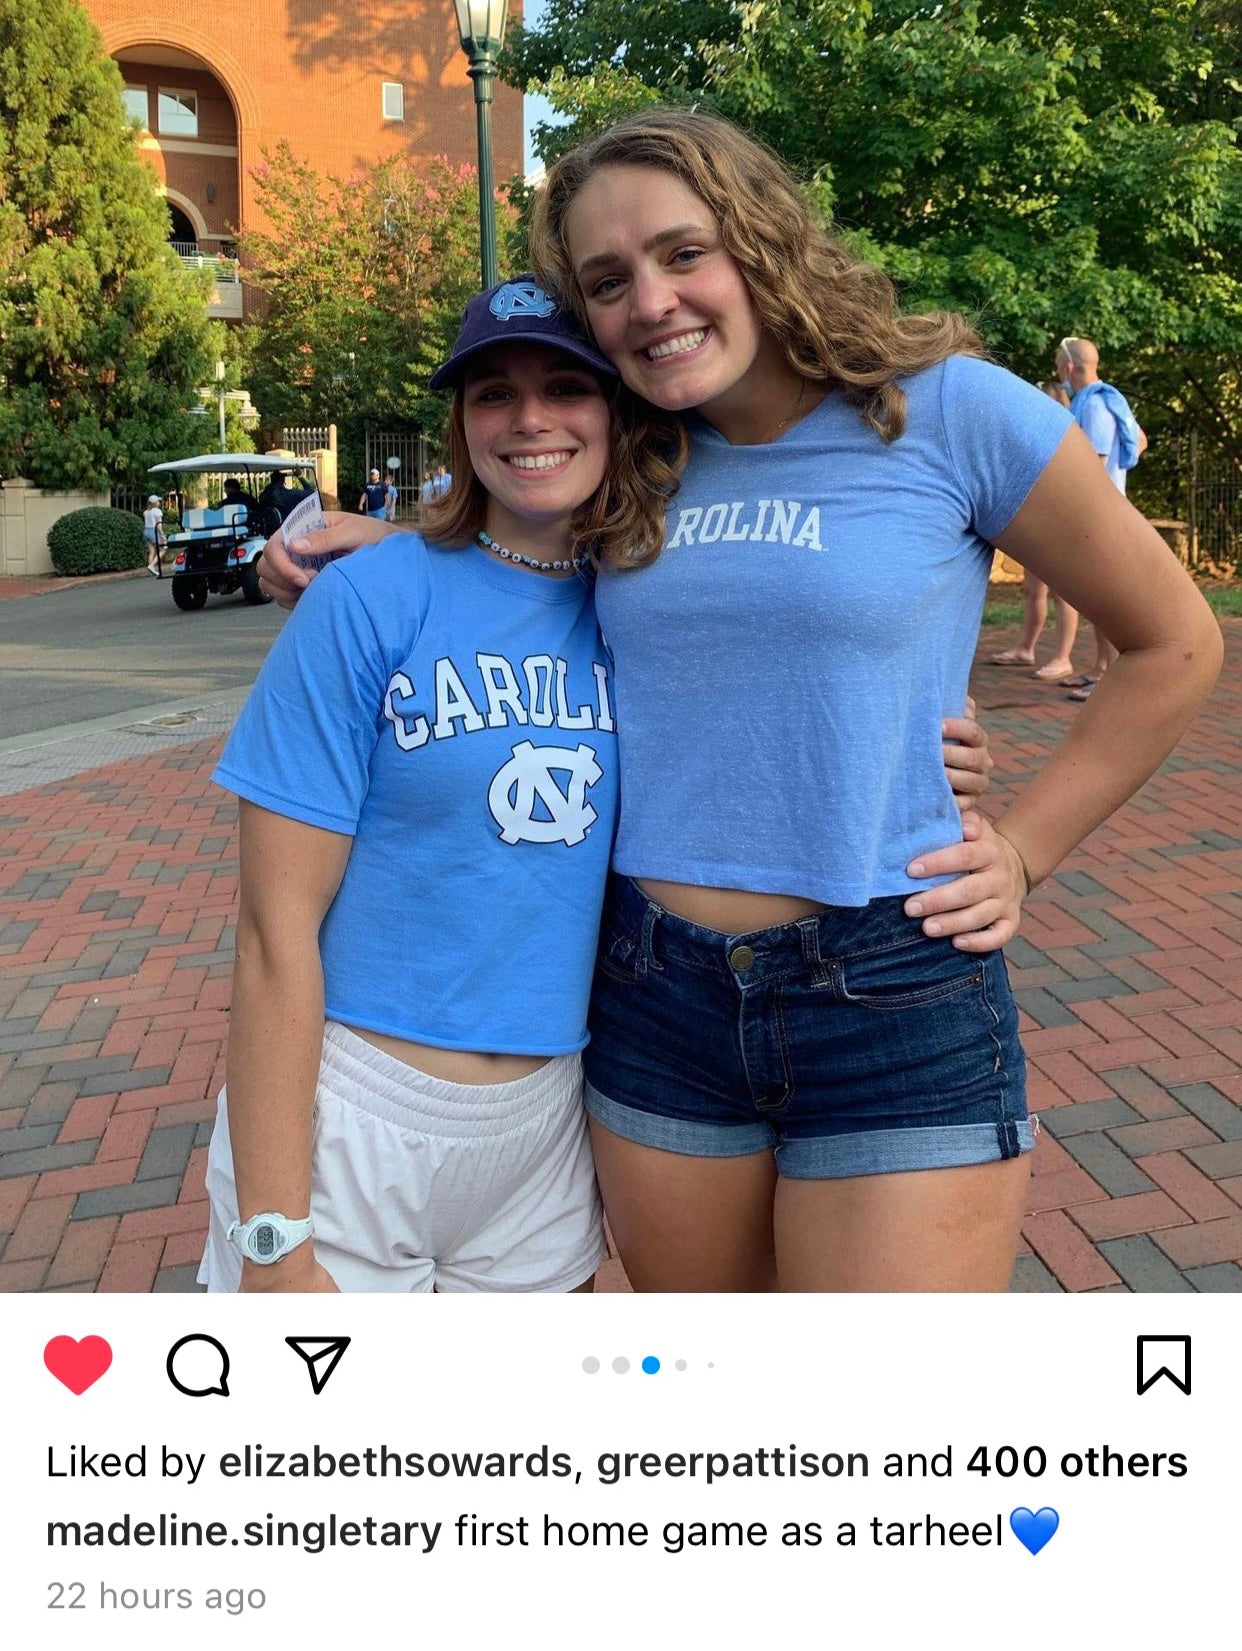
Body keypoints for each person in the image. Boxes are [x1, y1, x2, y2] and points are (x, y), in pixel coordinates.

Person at [261, 110, 1220, 1294]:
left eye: (681, 252)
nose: (649, 300)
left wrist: (1022, 852)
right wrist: (392, 544)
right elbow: (527, 543)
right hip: (655, 998)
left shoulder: (952, 410)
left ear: (760, 241)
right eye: (607, 280)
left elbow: (1174, 641)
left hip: (892, 979)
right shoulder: (638, 450)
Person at [199, 287, 624, 1293]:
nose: (529, 417)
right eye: (494, 392)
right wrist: (272, 1233)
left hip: (549, 1128)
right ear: (460, 420)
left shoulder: (649, 603)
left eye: (567, 385)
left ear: (617, 409)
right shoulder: (365, 600)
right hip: (359, 1113)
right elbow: (271, 936)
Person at [1055, 337, 1149, 701]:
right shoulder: (1112, 399)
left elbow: (1090, 465)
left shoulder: (1093, 406)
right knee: (1098, 597)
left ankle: (1109, 680)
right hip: (1110, 507)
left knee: (1104, 599)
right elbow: (1140, 440)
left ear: (1068, 368)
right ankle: (1099, 668)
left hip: (1098, 515)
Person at [988, 383, 1080, 679]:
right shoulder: (1032, 435)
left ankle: (1062, 657)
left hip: (1060, 521)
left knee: (1062, 593)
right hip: (1037, 522)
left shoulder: (1066, 438)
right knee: (1033, 590)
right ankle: (1025, 648)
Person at [143, 495, 165, 577]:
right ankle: (152, 566)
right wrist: (163, 535)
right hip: (153, 531)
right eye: (158, 501)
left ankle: (150, 569)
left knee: (152, 551)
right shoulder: (157, 511)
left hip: (146, 531)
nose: (159, 503)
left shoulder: (146, 512)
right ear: (155, 503)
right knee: (163, 549)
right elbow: (158, 525)